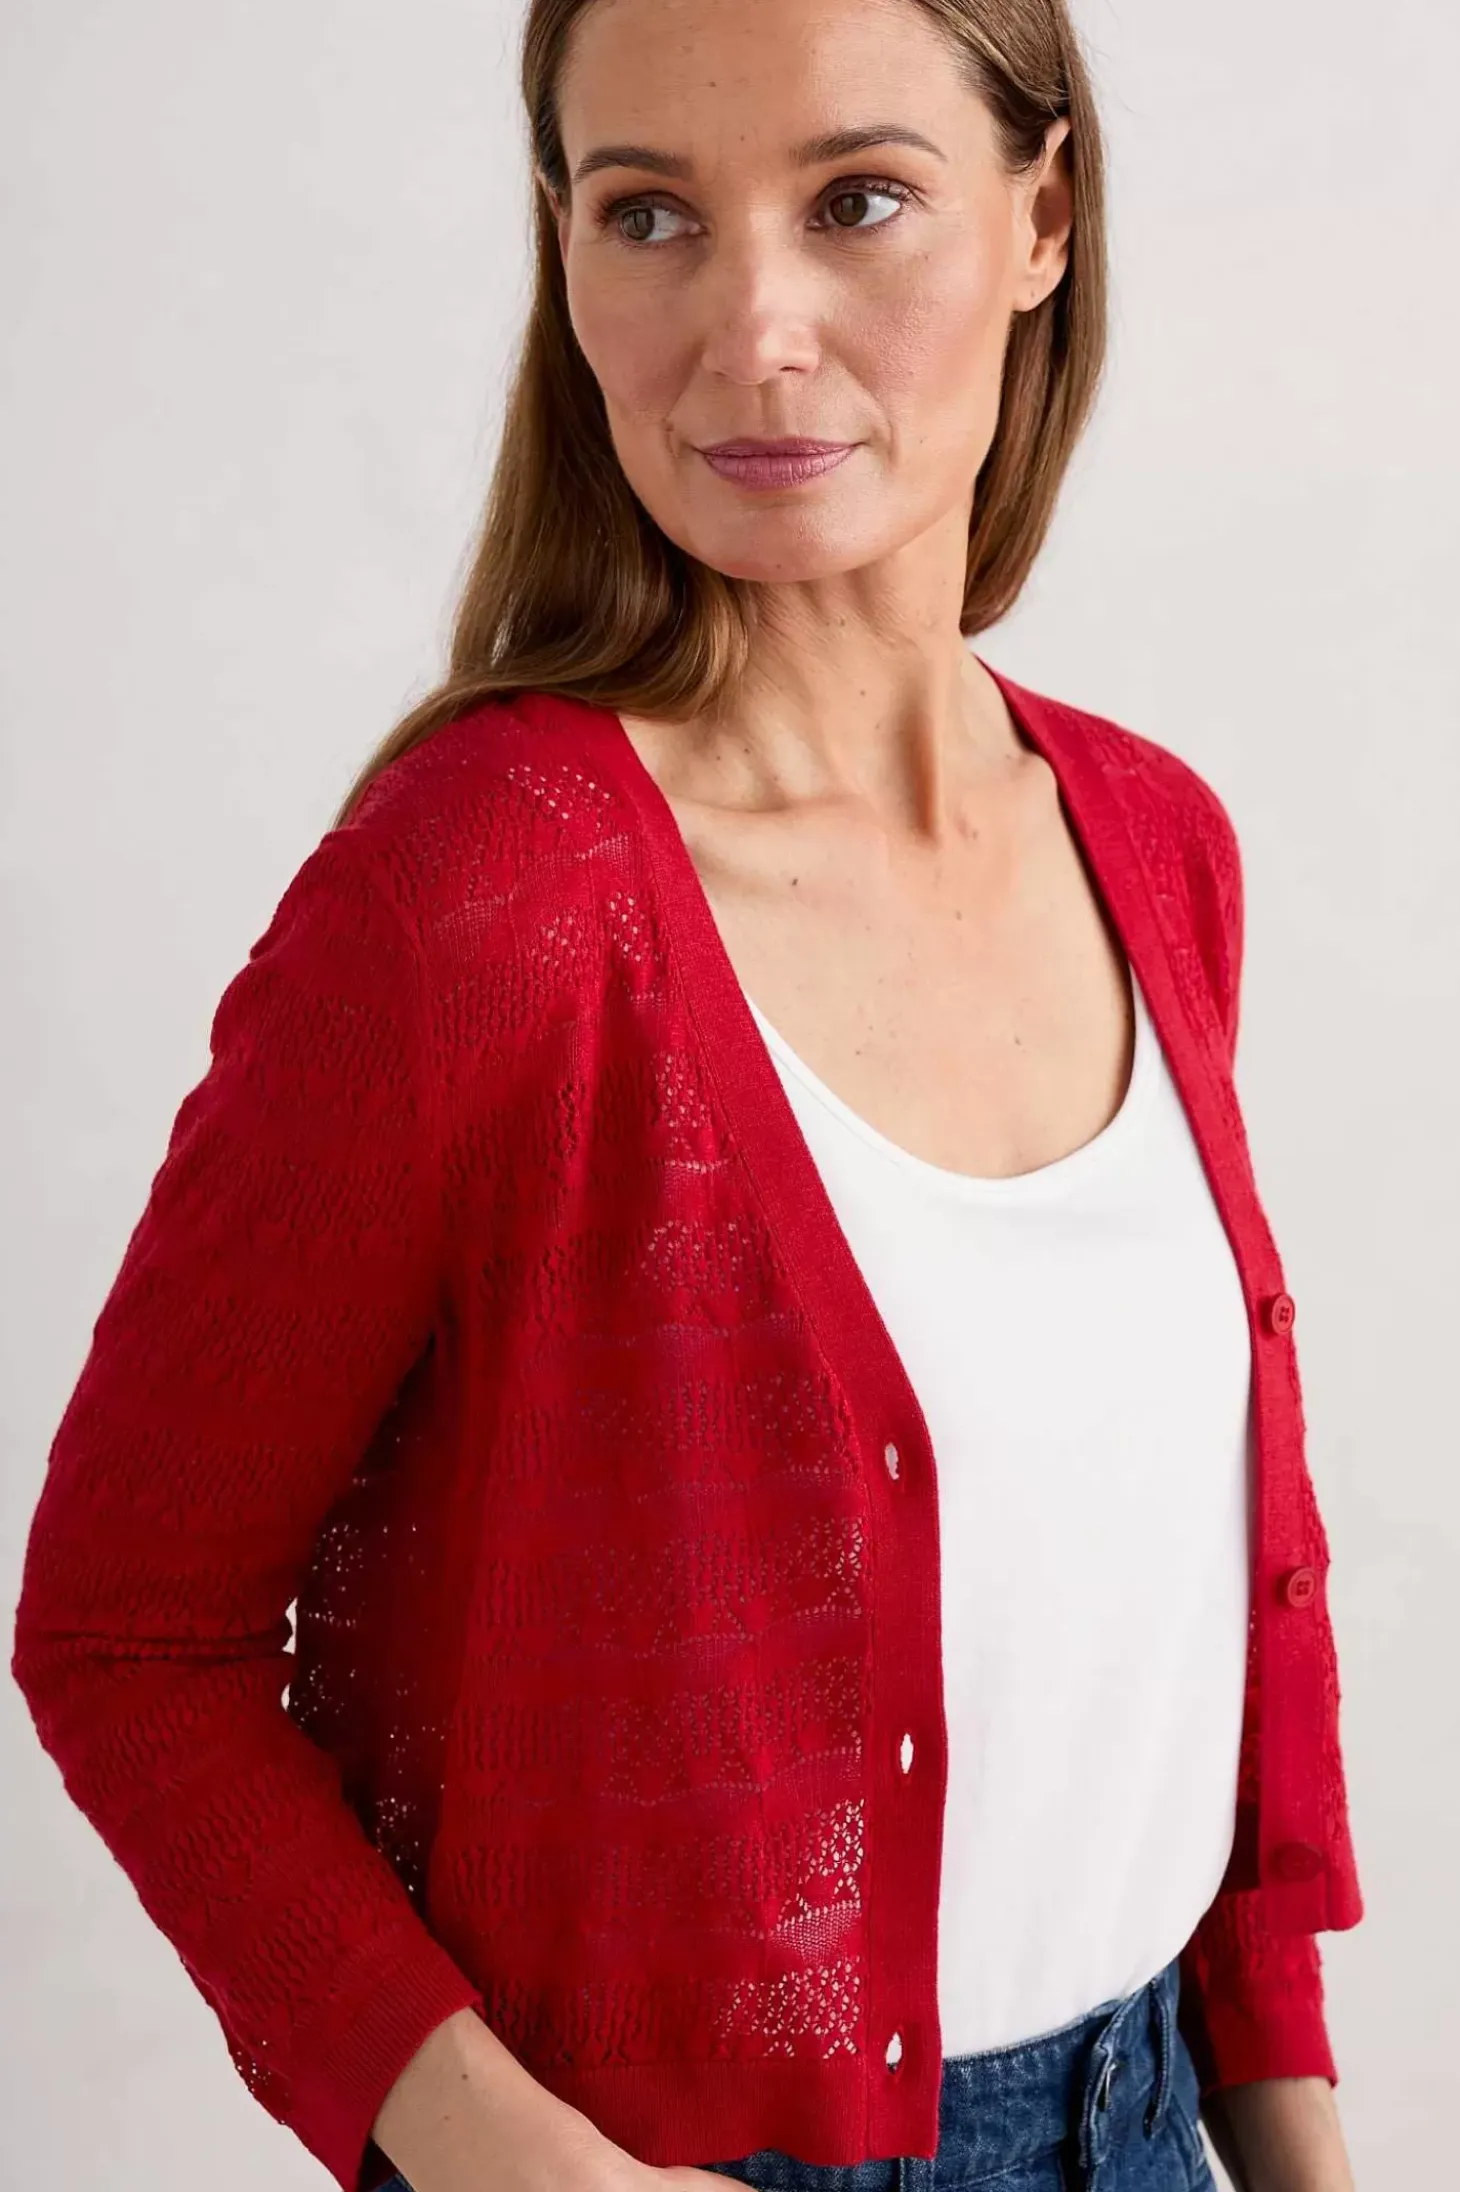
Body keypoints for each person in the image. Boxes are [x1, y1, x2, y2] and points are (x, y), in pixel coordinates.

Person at [11, 1, 1364, 2189]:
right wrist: (515, 2161)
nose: (751, 335)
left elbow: (1187, 1627)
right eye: (648, 216)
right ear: (561, 246)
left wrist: (1286, 2122)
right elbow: (127, 1632)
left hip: (1155, 2129)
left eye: (859, 200)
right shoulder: (482, 903)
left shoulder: (1152, 843)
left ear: (1042, 218)